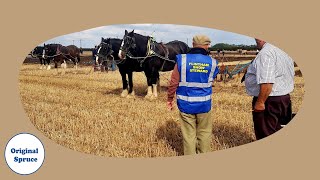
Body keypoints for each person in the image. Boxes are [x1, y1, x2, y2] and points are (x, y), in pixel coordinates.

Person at [167, 35, 219, 155]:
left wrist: (170, 99)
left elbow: (173, 82)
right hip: (204, 105)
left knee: (189, 135)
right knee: (204, 133)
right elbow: (212, 79)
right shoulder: (213, 62)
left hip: (186, 105)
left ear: (193, 44)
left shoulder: (182, 59)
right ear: (207, 46)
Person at [244, 38, 295, 140]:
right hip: (284, 98)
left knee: (266, 133)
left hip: (269, 100)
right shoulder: (283, 50)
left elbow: (267, 82)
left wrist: (260, 102)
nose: (256, 40)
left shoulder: (266, 53)